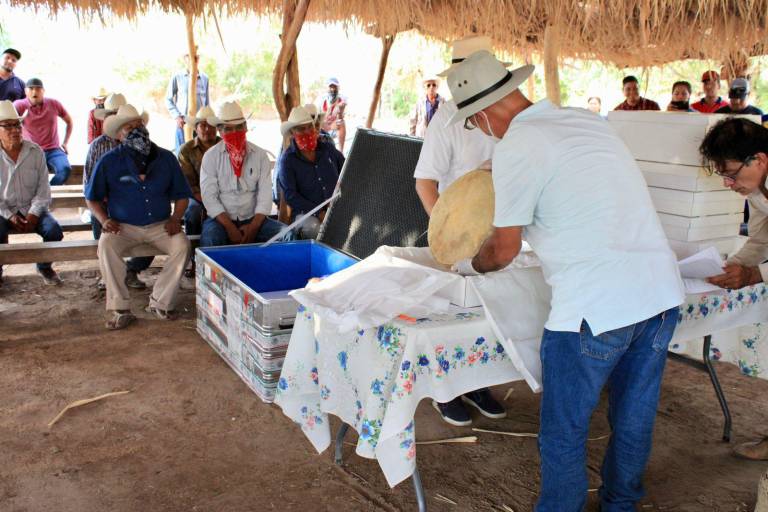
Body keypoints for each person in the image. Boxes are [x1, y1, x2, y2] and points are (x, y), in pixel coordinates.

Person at [446, 50, 684, 511]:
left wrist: (468, 266)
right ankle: (621, 503)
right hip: (658, 293)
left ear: (480, 115)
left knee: (564, 431)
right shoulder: (584, 119)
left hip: (595, 308)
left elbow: (504, 249)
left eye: (473, 124)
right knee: (634, 417)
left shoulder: (517, 144)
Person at [413, 35, 505, 427]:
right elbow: (425, 182)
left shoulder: (503, 112)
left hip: (498, 229)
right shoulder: (446, 119)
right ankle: (445, 389)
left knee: (487, 313)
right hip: (453, 233)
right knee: (453, 315)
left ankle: (478, 382)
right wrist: (447, 236)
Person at [85, 104, 191, 330]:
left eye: (138, 125)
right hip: (123, 227)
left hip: (161, 225)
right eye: (128, 128)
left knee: (182, 245)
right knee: (106, 245)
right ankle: (120, 308)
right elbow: (92, 198)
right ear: (119, 135)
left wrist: (176, 218)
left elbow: (182, 195)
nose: (135, 131)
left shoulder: (165, 158)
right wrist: (104, 220)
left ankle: (160, 302)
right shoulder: (109, 161)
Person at [698, 117, 768, 461]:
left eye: (732, 173)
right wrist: (733, 267)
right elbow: (760, 239)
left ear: (759, 160)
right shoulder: (757, 190)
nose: (728, 183)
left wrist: (754, 275)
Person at [200, 101, 293, 247]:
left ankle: (278, 270)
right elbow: (209, 198)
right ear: (220, 131)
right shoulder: (211, 157)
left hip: (255, 219)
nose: (234, 133)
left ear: (246, 128)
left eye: (238, 128)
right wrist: (230, 228)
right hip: (221, 221)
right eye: (228, 129)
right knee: (210, 240)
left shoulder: (260, 155)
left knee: (288, 235)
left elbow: (265, 197)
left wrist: (253, 228)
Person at [84, 93, 152, 290]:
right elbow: (89, 183)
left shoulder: (145, 146)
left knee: (155, 223)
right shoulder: (98, 146)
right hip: (106, 203)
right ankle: (109, 272)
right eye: (112, 115)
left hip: (135, 203)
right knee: (101, 225)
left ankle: (131, 270)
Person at [0, 100, 63, 286]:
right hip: (3, 210)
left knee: (54, 232)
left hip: (31, 207)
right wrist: (10, 216)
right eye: (8, 126)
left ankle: (44, 267)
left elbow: (44, 189)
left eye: (17, 124)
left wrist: (34, 213)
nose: (15, 130)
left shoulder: (35, 151)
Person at [277, 106, 344, 239]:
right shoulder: (288, 160)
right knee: (314, 229)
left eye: (310, 127)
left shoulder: (327, 149)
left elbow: (346, 167)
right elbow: (291, 196)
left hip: (335, 209)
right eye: (301, 129)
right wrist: (319, 213)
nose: (307, 131)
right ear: (292, 132)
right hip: (306, 214)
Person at [178, 105, 219, 274]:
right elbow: (188, 182)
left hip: (222, 194)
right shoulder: (186, 150)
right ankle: (194, 258)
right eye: (203, 125)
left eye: (211, 125)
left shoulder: (224, 146)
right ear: (196, 128)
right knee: (193, 212)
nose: (207, 129)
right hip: (197, 196)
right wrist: (206, 199)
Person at [13, 78, 73, 186]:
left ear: (43, 91)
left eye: (38, 89)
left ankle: (48, 191)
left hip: (54, 150)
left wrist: (65, 143)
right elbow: (7, 124)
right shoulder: (19, 105)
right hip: (31, 150)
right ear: (26, 91)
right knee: (25, 176)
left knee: (65, 169)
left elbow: (69, 121)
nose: (34, 92)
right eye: (31, 89)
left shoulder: (54, 103)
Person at [166, 51, 210, 152]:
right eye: (189, 57)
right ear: (185, 59)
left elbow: (207, 103)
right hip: (183, 124)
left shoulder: (204, 78)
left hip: (200, 125)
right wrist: (177, 116)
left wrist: (207, 122)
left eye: (196, 57)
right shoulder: (177, 77)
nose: (193, 60)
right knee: (182, 155)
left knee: (201, 156)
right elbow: (168, 99)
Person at [319, 77, 347, 152]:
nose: (332, 89)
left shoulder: (342, 99)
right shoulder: (322, 99)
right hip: (324, 126)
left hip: (334, 125)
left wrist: (340, 111)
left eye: (334, 87)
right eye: (330, 87)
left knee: (341, 122)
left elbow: (340, 118)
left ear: (338, 88)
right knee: (319, 124)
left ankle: (341, 152)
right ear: (327, 88)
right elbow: (319, 117)